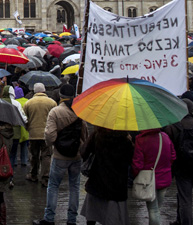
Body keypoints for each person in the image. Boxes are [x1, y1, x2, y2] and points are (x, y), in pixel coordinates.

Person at [33, 83, 88, 225]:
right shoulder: (79, 111)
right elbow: (85, 135)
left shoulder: (55, 112)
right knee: (74, 186)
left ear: (61, 96)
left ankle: (49, 218)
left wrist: (55, 145)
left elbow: (50, 136)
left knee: (53, 186)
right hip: (76, 156)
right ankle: (71, 219)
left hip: (59, 156)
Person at [80, 127, 134, 225]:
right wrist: (130, 142)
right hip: (117, 185)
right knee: (113, 218)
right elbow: (131, 159)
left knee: (92, 214)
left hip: (97, 181)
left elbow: (83, 153)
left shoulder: (97, 135)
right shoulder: (125, 140)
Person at [131, 128, 176, 225]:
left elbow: (137, 163)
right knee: (157, 209)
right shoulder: (165, 137)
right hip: (165, 178)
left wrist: (135, 175)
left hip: (148, 180)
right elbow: (173, 156)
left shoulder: (141, 139)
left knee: (153, 210)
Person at [23, 82, 56, 185]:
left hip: (33, 134)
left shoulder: (28, 103)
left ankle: (33, 174)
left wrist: (28, 128)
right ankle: (45, 177)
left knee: (34, 155)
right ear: (44, 90)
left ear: (34, 91)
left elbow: (24, 118)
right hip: (47, 134)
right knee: (46, 155)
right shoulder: (52, 102)